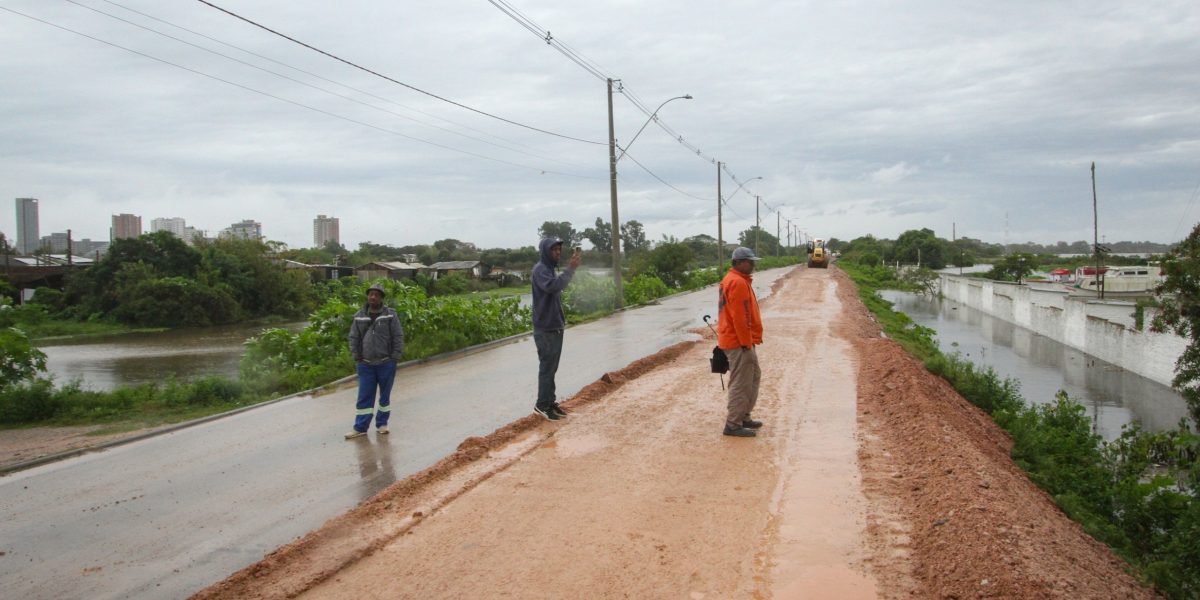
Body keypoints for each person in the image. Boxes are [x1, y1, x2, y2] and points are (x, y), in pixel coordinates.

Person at [345, 283, 404, 440]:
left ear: (381, 298)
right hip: (365, 364)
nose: (372, 297)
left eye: (376, 295)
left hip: (386, 363)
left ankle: (382, 424)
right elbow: (353, 337)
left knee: (384, 397)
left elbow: (398, 336)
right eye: (370, 294)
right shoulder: (359, 316)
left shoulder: (390, 315)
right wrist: (356, 355)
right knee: (364, 396)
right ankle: (360, 427)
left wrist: (395, 356)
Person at [530, 237, 581, 420]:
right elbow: (553, 287)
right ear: (545, 251)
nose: (558, 253)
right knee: (547, 367)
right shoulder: (541, 270)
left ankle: (550, 402)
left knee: (552, 368)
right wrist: (571, 269)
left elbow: (557, 286)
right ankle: (542, 405)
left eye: (559, 250)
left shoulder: (549, 269)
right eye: (554, 250)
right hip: (545, 328)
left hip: (554, 326)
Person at [717, 247, 764, 437]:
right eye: (749, 261)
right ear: (739, 262)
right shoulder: (737, 282)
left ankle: (744, 416)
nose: (752, 264)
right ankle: (733, 424)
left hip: (739, 340)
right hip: (739, 342)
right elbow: (740, 317)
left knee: (752, 377)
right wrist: (746, 343)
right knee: (741, 383)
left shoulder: (737, 280)